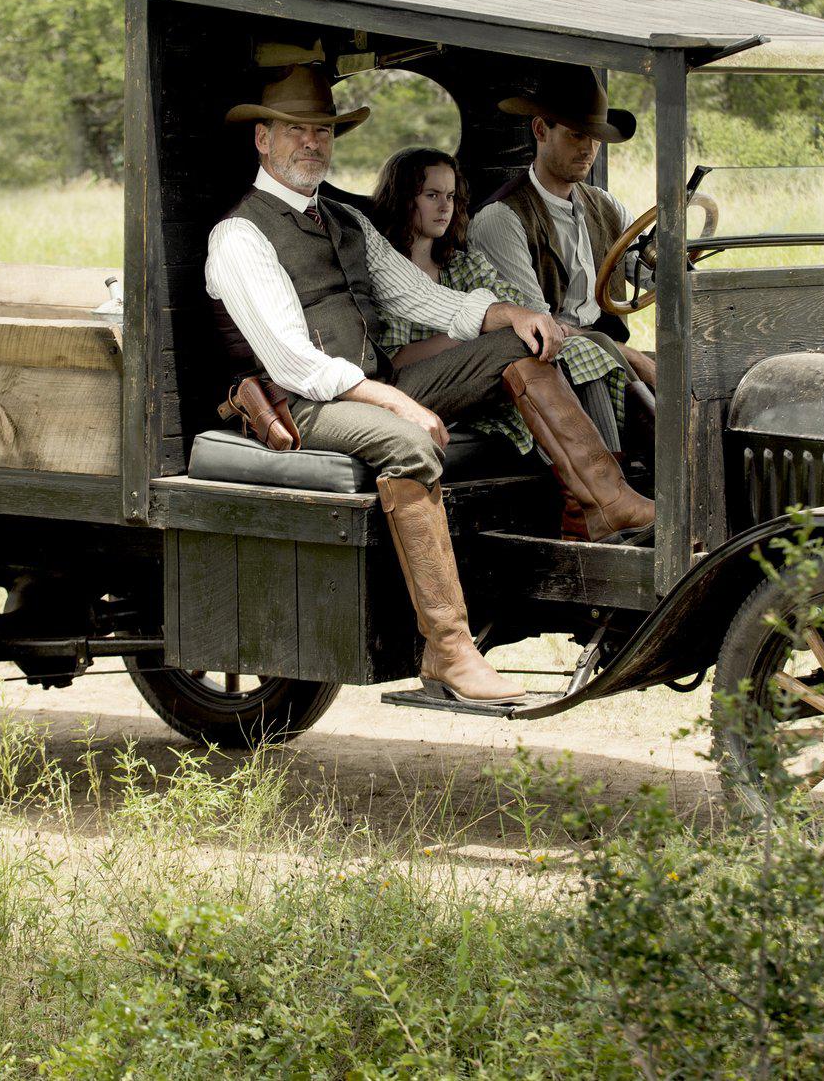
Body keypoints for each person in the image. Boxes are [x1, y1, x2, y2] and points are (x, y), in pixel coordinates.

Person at [205, 66, 654, 704]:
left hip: (371, 385)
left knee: (513, 344)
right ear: (263, 140)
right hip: (302, 404)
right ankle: (448, 648)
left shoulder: (343, 220)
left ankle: (606, 500)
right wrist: (394, 398)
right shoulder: (241, 235)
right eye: (297, 131)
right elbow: (295, 365)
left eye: (323, 131)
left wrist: (512, 315)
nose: (313, 143)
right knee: (410, 445)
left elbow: (422, 297)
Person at [366, 145, 633, 464]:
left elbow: (524, 312)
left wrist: (508, 326)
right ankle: (609, 485)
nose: (444, 207)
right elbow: (392, 360)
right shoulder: (384, 273)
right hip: (427, 388)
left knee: (580, 349)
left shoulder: (463, 266)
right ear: (404, 198)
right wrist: (481, 336)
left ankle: (618, 473)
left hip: (489, 381)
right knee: (533, 348)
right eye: (432, 195)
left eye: (450, 196)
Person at [469, 66, 658, 390]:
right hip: (540, 365)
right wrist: (634, 359)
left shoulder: (605, 207)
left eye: (595, 137)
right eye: (576, 134)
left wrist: (676, 263)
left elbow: (652, 275)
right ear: (541, 130)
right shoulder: (501, 220)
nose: (589, 149)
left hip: (605, 351)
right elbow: (538, 326)